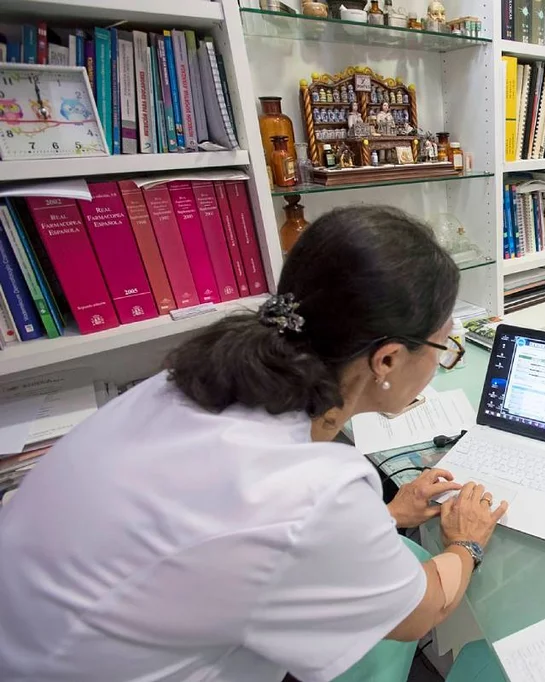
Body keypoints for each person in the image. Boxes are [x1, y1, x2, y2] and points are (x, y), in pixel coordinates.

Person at [0, 207, 508, 682]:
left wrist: (387, 516)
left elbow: (244, 537)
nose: (444, 361)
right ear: (389, 360)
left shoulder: (192, 381)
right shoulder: (309, 490)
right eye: (445, 347)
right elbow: (420, 613)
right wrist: (467, 541)